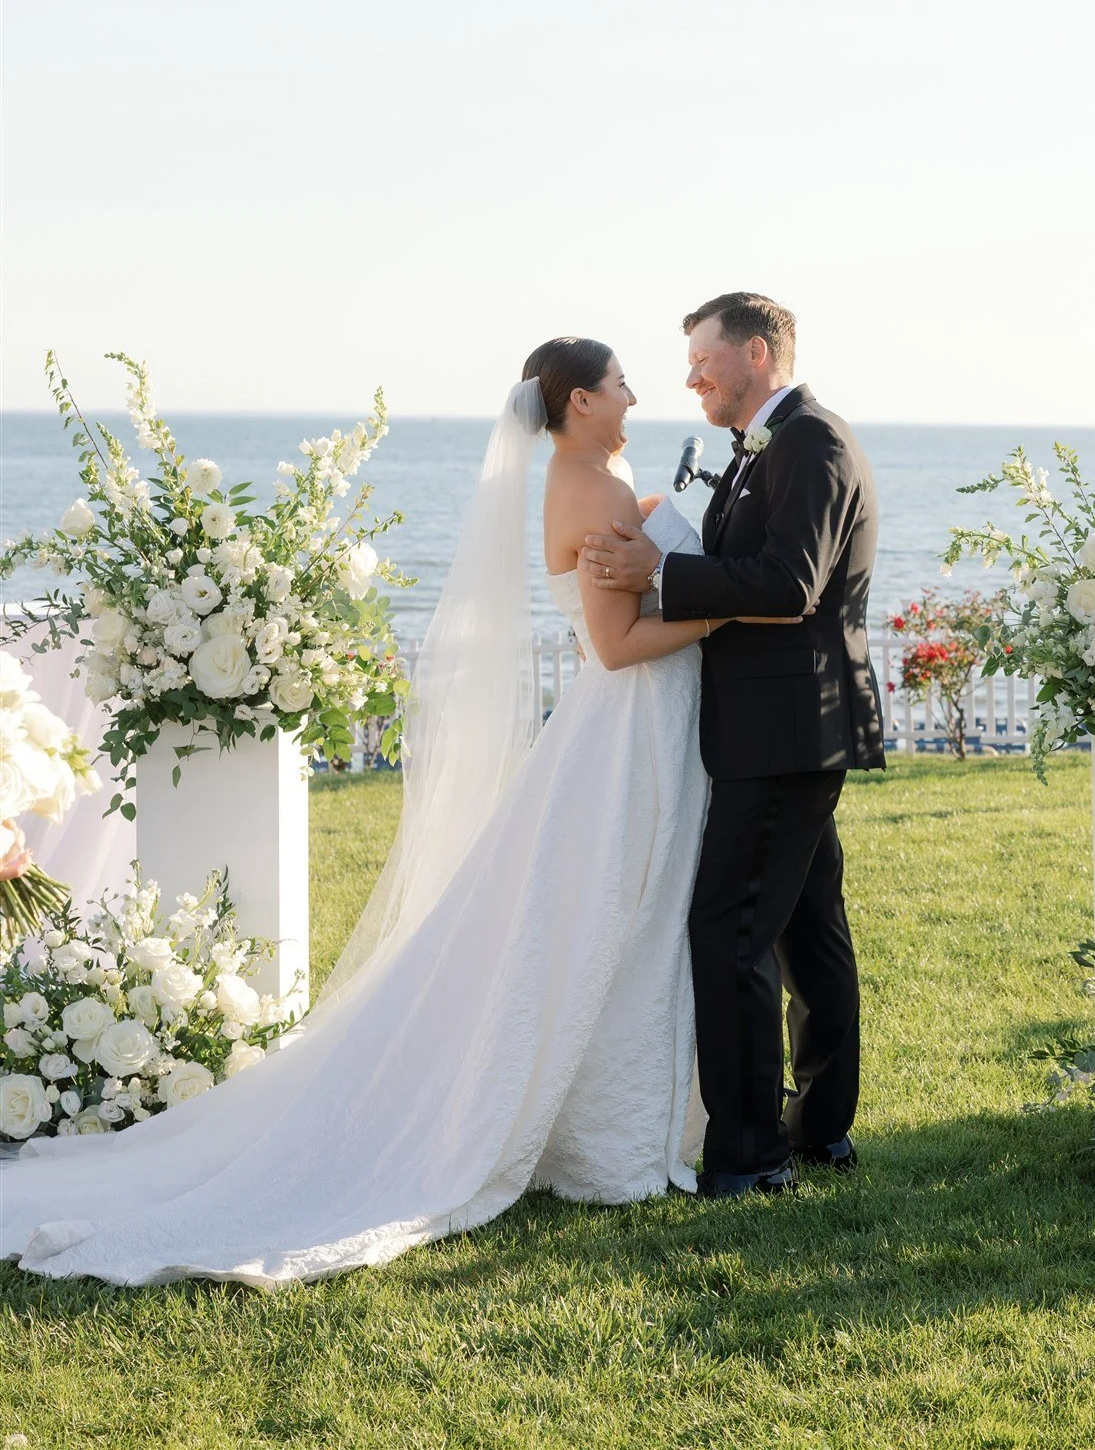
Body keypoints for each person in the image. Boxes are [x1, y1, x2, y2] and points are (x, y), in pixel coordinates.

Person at [0, 339, 741, 1287]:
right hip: (624, 729)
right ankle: (601, 1136)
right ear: (583, 400)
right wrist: (724, 612)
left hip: (650, 728)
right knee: (605, 915)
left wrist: (663, 517)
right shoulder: (584, 485)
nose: (639, 391)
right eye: (623, 381)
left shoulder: (608, 475)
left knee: (632, 916)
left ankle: (615, 1120)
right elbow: (613, 641)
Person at [581, 292, 882, 1196]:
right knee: (804, 929)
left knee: (730, 931)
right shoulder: (768, 446)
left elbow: (790, 584)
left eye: (703, 360)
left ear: (756, 353)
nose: (690, 378)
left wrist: (659, 573)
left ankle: (750, 1157)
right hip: (780, 725)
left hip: (786, 731)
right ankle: (818, 1132)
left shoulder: (810, 442)